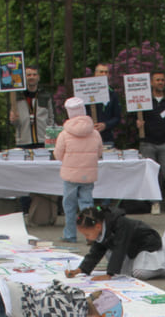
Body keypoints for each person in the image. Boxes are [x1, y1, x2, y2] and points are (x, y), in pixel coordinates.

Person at [65, 205, 165, 281]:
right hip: (130, 250)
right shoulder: (102, 228)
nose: (87, 238)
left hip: (147, 246)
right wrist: (80, 270)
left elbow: (120, 247)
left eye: (87, 234)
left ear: (97, 226)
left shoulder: (120, 223)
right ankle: (143, 265)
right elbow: (96, 252)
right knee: (113, 260)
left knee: (139, 273)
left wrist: (109, 274)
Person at [54, 96, 103, 244]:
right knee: (87, 204)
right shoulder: (94, 133)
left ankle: (70, 234)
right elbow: (99, 152)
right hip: (88, 174)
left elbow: (58, 154)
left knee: (69, 206)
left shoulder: (64, 134)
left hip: (70, 175)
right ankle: (91, 235)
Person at [136, 71, 165, 213]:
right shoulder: (143, 100)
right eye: (157, 80)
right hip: (147, 143)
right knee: (151, 176)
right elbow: (133, 117)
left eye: (162, 80)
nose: (160, 82)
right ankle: (154, 203)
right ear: (151, 82)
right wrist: (137, 124)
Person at [9, 63, 53, 148]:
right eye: (28, 75)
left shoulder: (45, 96)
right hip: (23, 142)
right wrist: (13, 119)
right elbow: (14, 122)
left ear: (38, 77)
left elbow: (51, 118)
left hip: (43, 141)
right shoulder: (17, 97)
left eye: (34, 74)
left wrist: (50, 136)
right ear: (24, 77)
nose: (31, 77)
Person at [91, 62, 122, 146]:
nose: (104, 74)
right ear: (95, 74)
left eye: (106, 72)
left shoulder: (112, 94)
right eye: (101, 72)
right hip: (88, 138)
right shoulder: (86, 92)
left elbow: (117, 117)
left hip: (107, 138)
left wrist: (105, 125)